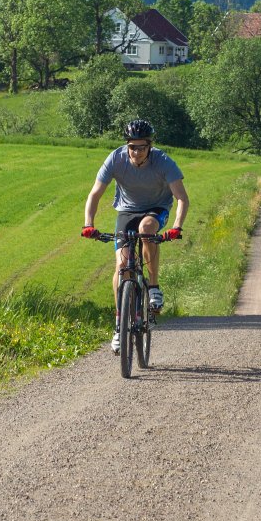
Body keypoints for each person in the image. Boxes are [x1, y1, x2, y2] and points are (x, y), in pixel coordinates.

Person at [81, 118, 188, 353]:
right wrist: (88, 224)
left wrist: (177, 227)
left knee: (146, 229)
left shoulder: (163, 162)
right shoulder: (116, 159)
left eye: (141, 147)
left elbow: (181, 198)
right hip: (127, 210)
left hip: (156, 208)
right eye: (132, 146)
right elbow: (95, 194)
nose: (136, 152)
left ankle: (154, 286)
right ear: (126, 145)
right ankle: (120, 327)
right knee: (122, 265)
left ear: (150, 146)